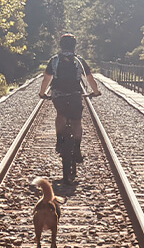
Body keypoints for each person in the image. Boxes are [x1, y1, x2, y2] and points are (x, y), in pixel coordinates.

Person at [39, 33, 101, 162]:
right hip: (74, 94)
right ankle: (77, 148)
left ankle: (59, 140)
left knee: (60, 114)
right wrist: (95, 91)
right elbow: (89, 78)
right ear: (74, 46)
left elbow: (46, 78)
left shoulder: (54, 60)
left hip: (58, 94)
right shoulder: (79, 61)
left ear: (61, 45)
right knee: (76, 120)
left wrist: (42, 93)